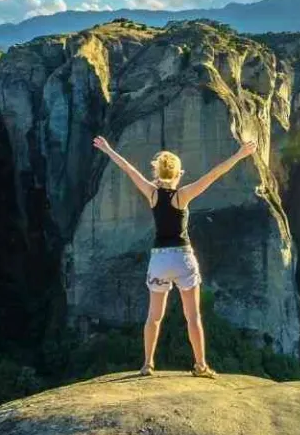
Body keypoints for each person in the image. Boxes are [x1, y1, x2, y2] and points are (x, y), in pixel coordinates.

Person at [91, 135, 258, 378]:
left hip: (159, 260)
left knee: (154, 317)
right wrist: (240, 154)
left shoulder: (152, 193)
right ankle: (200, 365)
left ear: (157, 173)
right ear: (179, 173)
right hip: (183, 258)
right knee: (192, 316)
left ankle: (147, 364)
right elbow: (214, 174)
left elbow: (128, 168)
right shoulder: (183, 195)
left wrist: (107, 149)